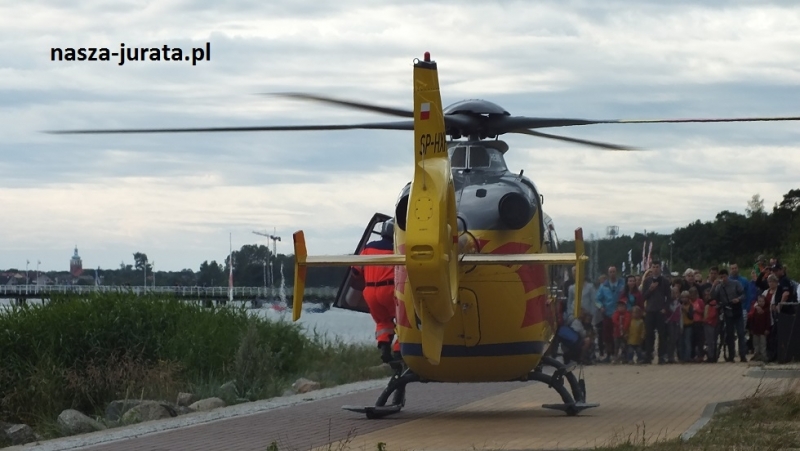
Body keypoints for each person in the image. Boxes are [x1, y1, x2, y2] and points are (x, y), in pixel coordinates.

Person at [356, 219, 400, 363]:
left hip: (370, 292)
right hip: (390, 290)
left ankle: (384, 348)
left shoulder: (368, 248)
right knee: (404, 322)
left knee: (382, 322)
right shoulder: (398, 249)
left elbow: (355, 271)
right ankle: (399, 352)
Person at [711, 268, 747, 362]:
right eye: (721, 277)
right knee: (730, 335)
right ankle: (731, 356)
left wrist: (738, 299)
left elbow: (743, 294)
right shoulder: (719, 287)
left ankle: (743, 355)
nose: (723, 279)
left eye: (724, 276)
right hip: (727, 313)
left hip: (737, 311)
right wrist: (713, 286)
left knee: (741, 333)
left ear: (727, 276)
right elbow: (713, 297)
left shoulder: (735, 283)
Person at [641, 261, 672, 364]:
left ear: (660, 268)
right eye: (653, 267)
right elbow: (643, 296)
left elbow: (669, 297)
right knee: (649, 335)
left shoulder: (665, 281)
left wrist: (665, 308)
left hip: (660, 311)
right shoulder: (647, 281)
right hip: (650, 310)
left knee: (662, 335)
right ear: (651, 268)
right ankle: (648, 356)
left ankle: (661, 356)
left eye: (657, 267)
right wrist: (650, 289)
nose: (655, 269)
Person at [595, 266, 625, 362]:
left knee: (620, 334)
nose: (612, 273)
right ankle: (609, 354)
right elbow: (597, 300)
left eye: (614, 271)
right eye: (610, 272)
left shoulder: (622, 284)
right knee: (607, 335)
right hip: (607, 313)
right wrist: (601, 307)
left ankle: (621, 354)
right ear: (608, 273)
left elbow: (626, 296)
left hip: (620, 314)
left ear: (616, 272)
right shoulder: (603, 286)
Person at [748, 294, 770, 361]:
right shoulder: (754, 310)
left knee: (763, 344)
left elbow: (768, 320)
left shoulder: (766, 311)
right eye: (759, 301)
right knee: (756, 344)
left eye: (762, 301)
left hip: (763, 331)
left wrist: (767, 329)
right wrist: (751, 329)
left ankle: (763, 356)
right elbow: (752, 319)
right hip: (755, 330)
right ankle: (756, 355)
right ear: (757, 302)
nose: (761, 303)